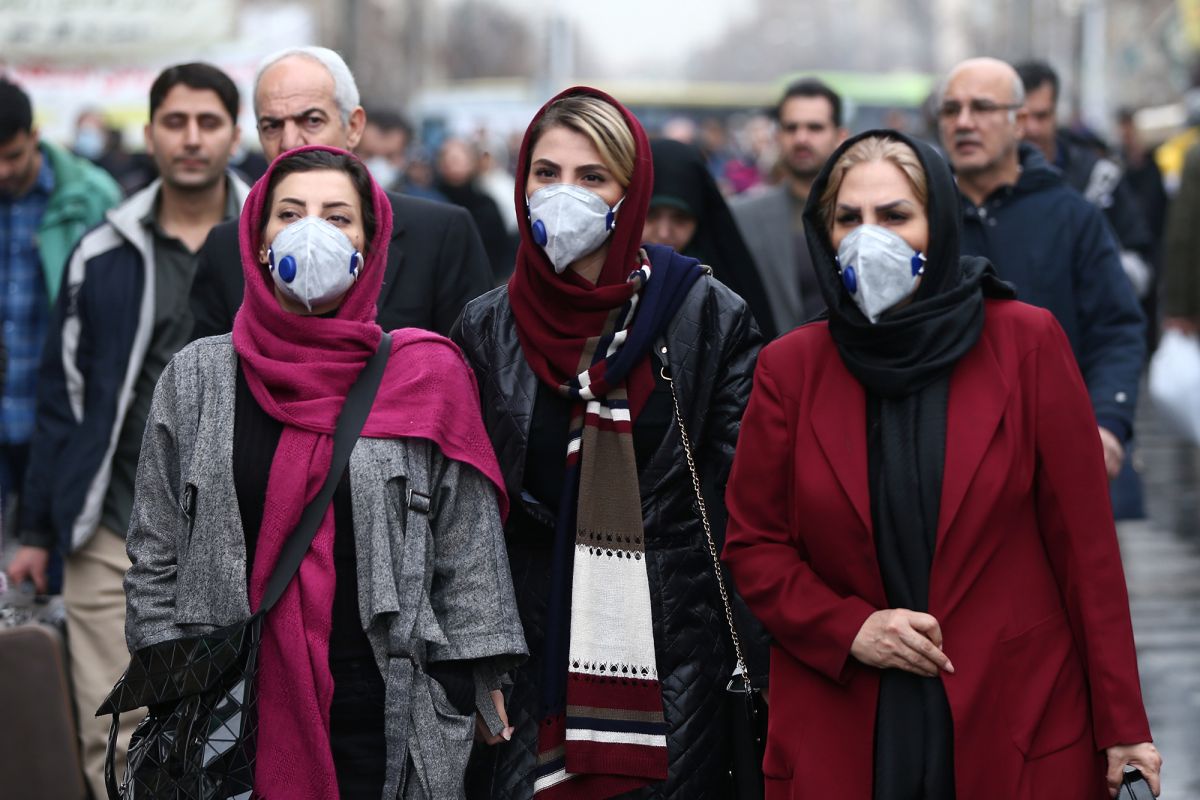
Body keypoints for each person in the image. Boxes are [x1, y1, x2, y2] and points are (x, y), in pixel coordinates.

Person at [723, 129, 1161, 799]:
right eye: (849, 218)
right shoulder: (791, 367)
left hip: (1014, 716)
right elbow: (755, 547)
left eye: (895, 215)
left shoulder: (1026, 342)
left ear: (941, 223)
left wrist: (1123, 724)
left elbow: (1087, 551)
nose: (871, 236)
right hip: (845, 718)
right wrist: (852, 628)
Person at [123, 145, 526, 798]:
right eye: (290, 213)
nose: (313, 231)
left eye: (337, 217)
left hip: (388, 707)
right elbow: (156, 546)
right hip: (228, 706)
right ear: (257, 242)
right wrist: (171, 680)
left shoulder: (426, 373)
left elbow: (467, 545)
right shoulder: (197, 376)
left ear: (371, 246)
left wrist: (475, 683)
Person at [453, 86, 768, 799]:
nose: (564, 196)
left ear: (632, 192)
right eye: (546, 174)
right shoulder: (484, 328)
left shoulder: (703, 314)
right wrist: (474, 666)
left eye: (592, 177)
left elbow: (748, 501)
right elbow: (465, 518)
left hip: (676, 664)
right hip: (524, 668)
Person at [5, 62, 249, 798]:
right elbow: (64, 398)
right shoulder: (105, 252)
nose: (192, 139)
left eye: (208, 122)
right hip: (111, 532)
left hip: (235, 537)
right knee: (111, 736)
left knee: (227, 738)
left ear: (233, 133)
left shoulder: (270, 249)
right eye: (175, 122)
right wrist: (42, 534)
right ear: (150, 133)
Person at [188, 46, 492, 339]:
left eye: (312, 120)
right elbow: (207, 384)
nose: (291, 141)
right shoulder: (227, 247)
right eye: (272, 126)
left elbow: (472, 373)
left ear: (354, 126)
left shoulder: (439, 234)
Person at [938, 57, 1145, 481]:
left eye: (981, 108)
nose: (963, 122)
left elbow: (1115, 328)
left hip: (1053, 453)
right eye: (951, 109)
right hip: (944, 457)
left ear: (1019, 122)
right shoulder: (918, 217)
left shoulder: (1072, 217)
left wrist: (1107, 421)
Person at [0, 79, 121, 546]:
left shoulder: (92, 197)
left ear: (34, 136)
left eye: (12, 155)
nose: (3, 170)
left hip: (58, 417)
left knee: (55, 560)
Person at [1014, 60, 1156, 304]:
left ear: (1056, 113)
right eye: (1022, 117)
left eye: (1041, 116)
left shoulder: (1100, 177)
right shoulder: (988, 182)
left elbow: (1140, 259)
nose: (1032, 128)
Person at [731, 78, 848, 334]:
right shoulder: (742, 218)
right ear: (778, 135)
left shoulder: (866, 214)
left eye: (815, 127)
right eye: (791, 127)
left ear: (840, 136)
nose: (801, 138)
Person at [645, 137, 777, 339]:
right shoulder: (606, 283)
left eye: (680, 218)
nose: (664, 232)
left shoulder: (728, 292)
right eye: (650, 215)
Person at [437, 136, 514, 283]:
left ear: (471, 162)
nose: (450, 164)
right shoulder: (432, 198)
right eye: (445, 158)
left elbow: (501, 249)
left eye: (456, 159)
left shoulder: (485, 203)